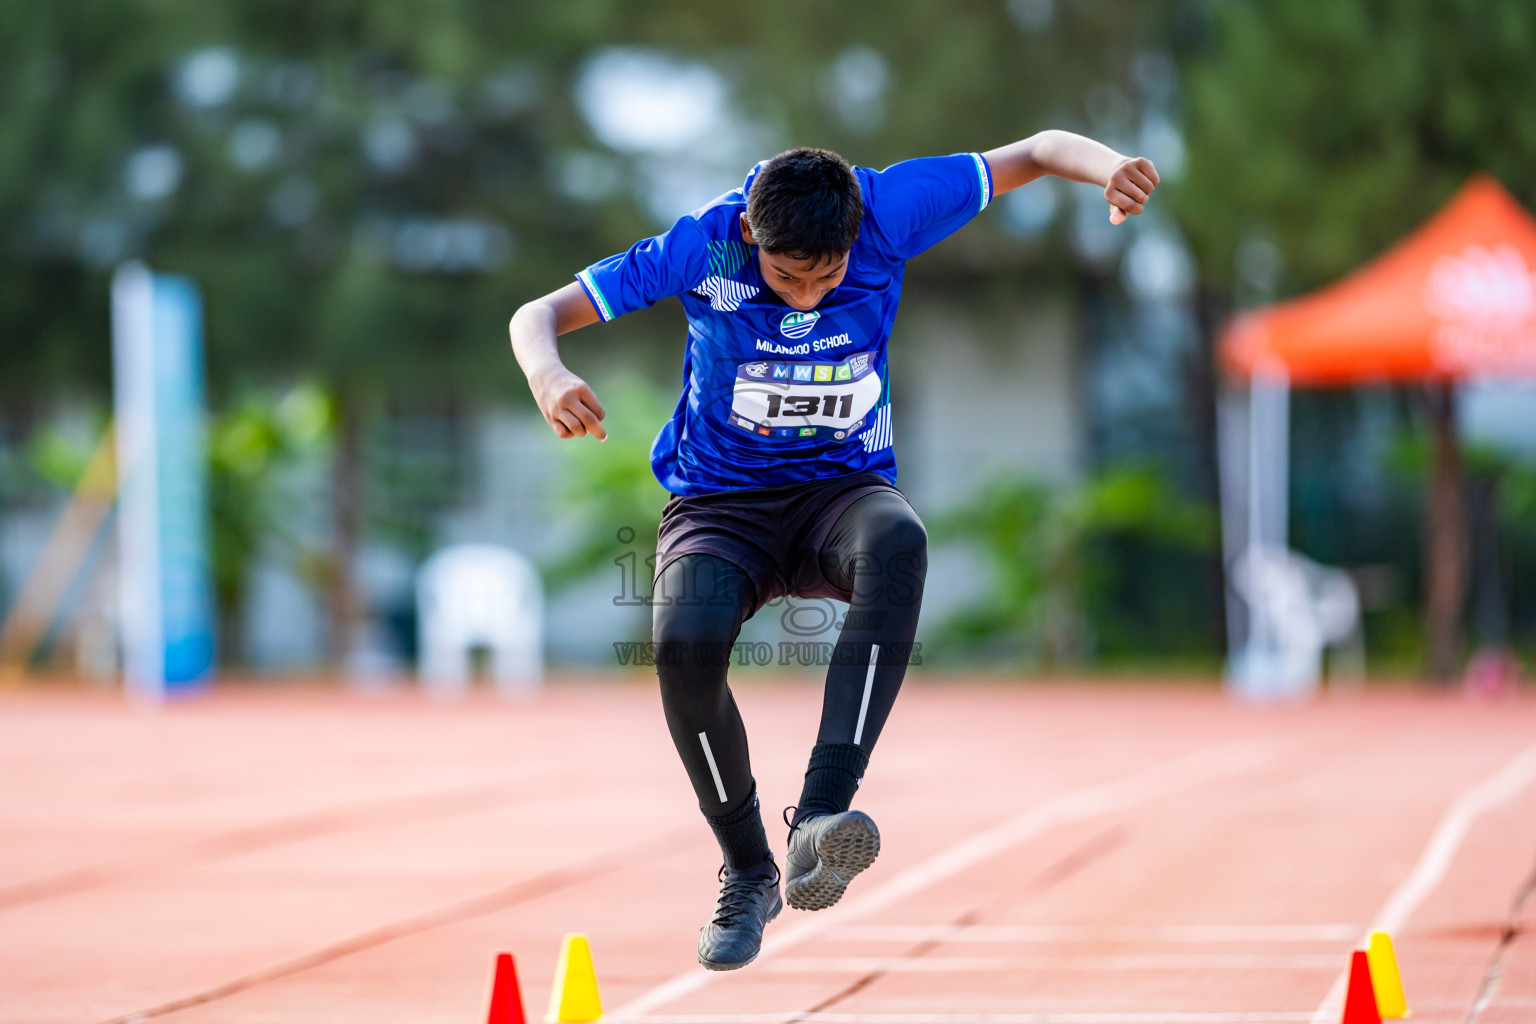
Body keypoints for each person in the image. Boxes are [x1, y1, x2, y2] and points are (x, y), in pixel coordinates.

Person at [509, 131, 1158, 970]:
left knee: (899, 541)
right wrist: (547, 374)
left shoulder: (887, 212)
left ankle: (821, 816)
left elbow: (1035, 151)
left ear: (857, 234)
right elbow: (540, 314)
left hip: (840, 491)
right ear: (752, 235)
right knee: (682, 646)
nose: (809, 299)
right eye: (787, 278)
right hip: (720, 502)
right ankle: (747, 875)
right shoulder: (703, 242)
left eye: (828, 276)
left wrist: (1112, 169)